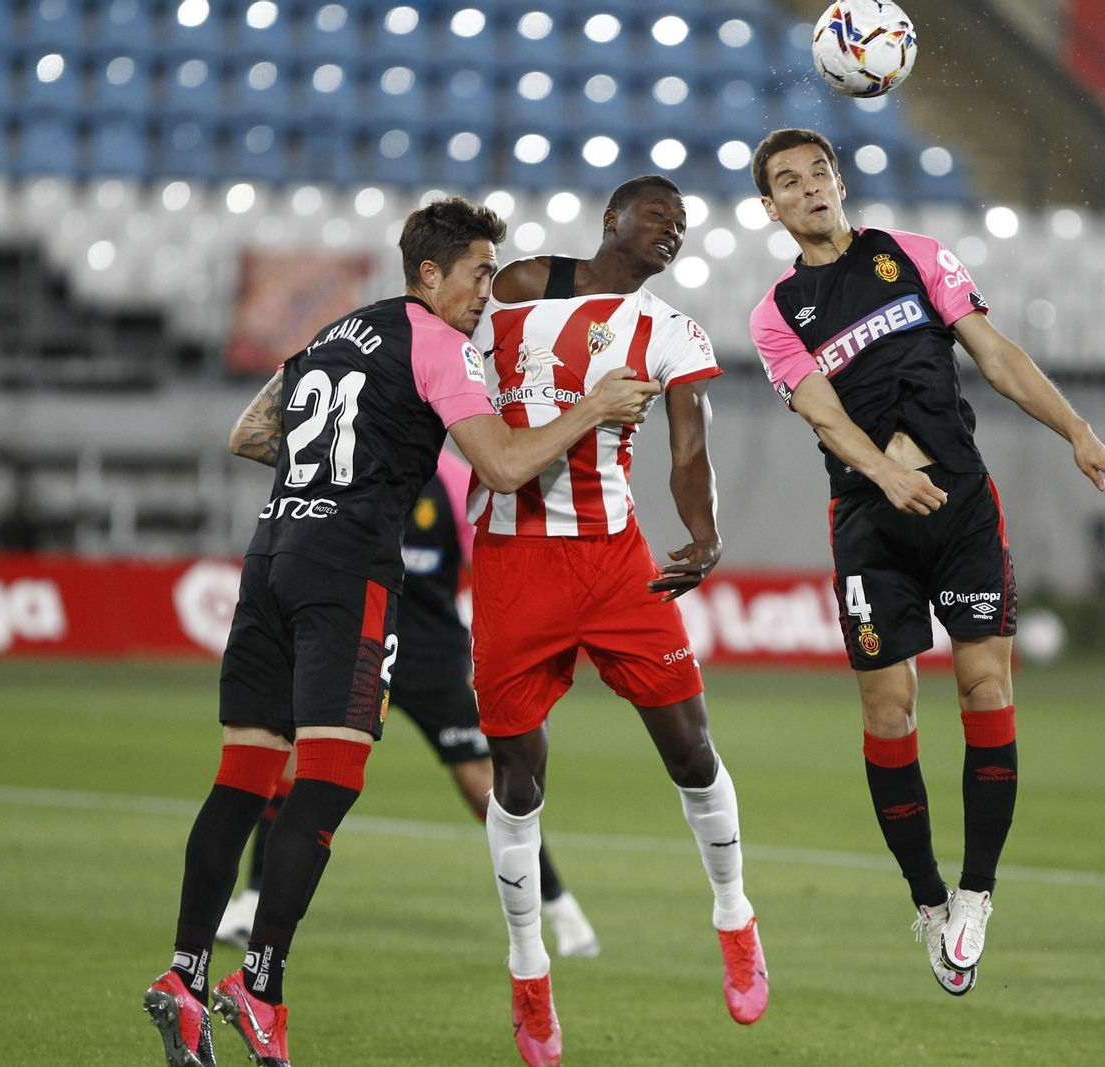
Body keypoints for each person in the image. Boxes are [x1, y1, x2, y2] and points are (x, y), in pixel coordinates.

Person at [142, 196, 660, 1067]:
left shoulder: (329, 337)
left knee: (243, 778)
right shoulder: (438, 344)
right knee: (329, 782)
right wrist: (594, 407)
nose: (488, 293)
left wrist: (338, 466)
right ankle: (259, 988)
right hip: (346, 572)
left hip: (271, 556)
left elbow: (248, 434)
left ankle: (185, 972)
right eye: (479, 275)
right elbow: (502, 463)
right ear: (430, 273)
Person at [747, 128, 1105, 997]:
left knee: (986, 691)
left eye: (820, 172)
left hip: (961, 503)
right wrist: (884, 473)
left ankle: (976, 894)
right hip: (869, 520)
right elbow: (822, 414)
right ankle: (928, 899)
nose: (810, 188)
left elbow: (995, 355)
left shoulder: (917, 257)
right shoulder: (776, 312)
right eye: (789, 181)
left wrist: (1077, 429)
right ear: (770, 208)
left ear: (839, 181)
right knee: (889, 711)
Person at [466, 174, 766, 1067]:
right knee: (517, 779)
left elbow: (688, 446)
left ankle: (735, 915)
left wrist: (704, 531)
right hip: (513, 563)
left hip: (614, 561)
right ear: (612, 219)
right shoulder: (517, 286)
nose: (673, 229)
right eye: (658, 214)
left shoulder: (671, 329)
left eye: (684, 223)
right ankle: (529, 970)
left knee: (691, 749)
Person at [214, 452, 599, 960]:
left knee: (484, 785)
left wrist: (488, 651)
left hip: (432, 657)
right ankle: (253, 899)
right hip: (355, 644)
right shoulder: (354, 458)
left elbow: (488, 562)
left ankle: (560, 907)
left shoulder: (458, 477)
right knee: (296, 768)